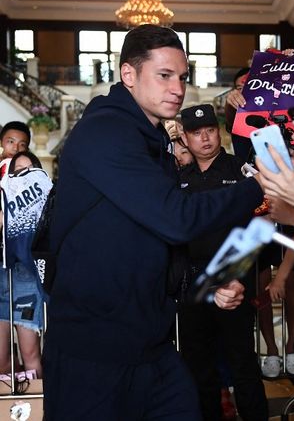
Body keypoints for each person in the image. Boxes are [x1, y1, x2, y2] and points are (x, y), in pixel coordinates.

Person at [43, 24, 264, 421]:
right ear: (129, 75)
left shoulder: (151, 141)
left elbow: (154, 248)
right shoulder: (105, 132)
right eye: (164, 76)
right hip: (93, 351)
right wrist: (258, 187)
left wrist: (209, 287)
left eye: (182, 77)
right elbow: (176, 220)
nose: (177, 88)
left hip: (149, 345)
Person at [177, 104, 268, 421]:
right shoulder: (179, 180)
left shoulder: (240, 170)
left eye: (210, 130)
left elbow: (260, 225)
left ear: (220, 132)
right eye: (196, 133)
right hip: (192, 284)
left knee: (242, 361)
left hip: (234, 282)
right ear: (186, 139)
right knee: (197, 366)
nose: (205, 138)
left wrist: (236, 276)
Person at [0, 148, 45, 380]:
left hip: (26, 278)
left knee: (29, 354)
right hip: (1, 276)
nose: (23, 176)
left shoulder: (44, 200)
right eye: (17, 171)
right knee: (1, 359)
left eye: (28, 170)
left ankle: (39, 411)